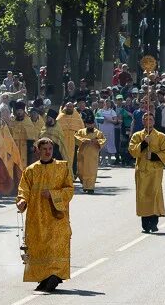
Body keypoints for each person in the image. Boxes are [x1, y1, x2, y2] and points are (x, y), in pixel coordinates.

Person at [16, 138, 74, 293]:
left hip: (56, 216)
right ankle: (44, 277)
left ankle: (55, 276)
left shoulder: (62, 167)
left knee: (55, 246)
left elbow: (69, 189)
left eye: (50, 149)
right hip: (37, 216)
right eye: (44, 149)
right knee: (40, 246)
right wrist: (22, 201)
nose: (48, 152)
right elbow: (24, 190)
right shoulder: (30, 170)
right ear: (38, 151)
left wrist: (53, 194)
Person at [129, 114, 165, 232]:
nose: (148, 121)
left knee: (154, 194)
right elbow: (133, 151)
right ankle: (145, 223)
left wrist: (153, 156)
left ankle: (154, 223)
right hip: (142, 170)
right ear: (142, 121)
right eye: (146, 119)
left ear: (154, 121)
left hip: (155, 170)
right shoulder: (137, 136)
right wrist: (143, 143)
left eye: (150, 119)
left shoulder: (160, 136)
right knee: (143, 195)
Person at [74, 114, 107, 194]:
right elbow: (76, 137)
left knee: (91, 171)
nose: (90, 125)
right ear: (86, 124)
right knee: (81, 171)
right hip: (82, 154)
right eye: (88, 124)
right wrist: (84, 140)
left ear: (93, 124)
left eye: (91, 124)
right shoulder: (81, 131)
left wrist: (97, 141)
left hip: (93, 155)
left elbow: (103, 140)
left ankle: (90, 187)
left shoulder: (98, 133)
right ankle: (85, 185)